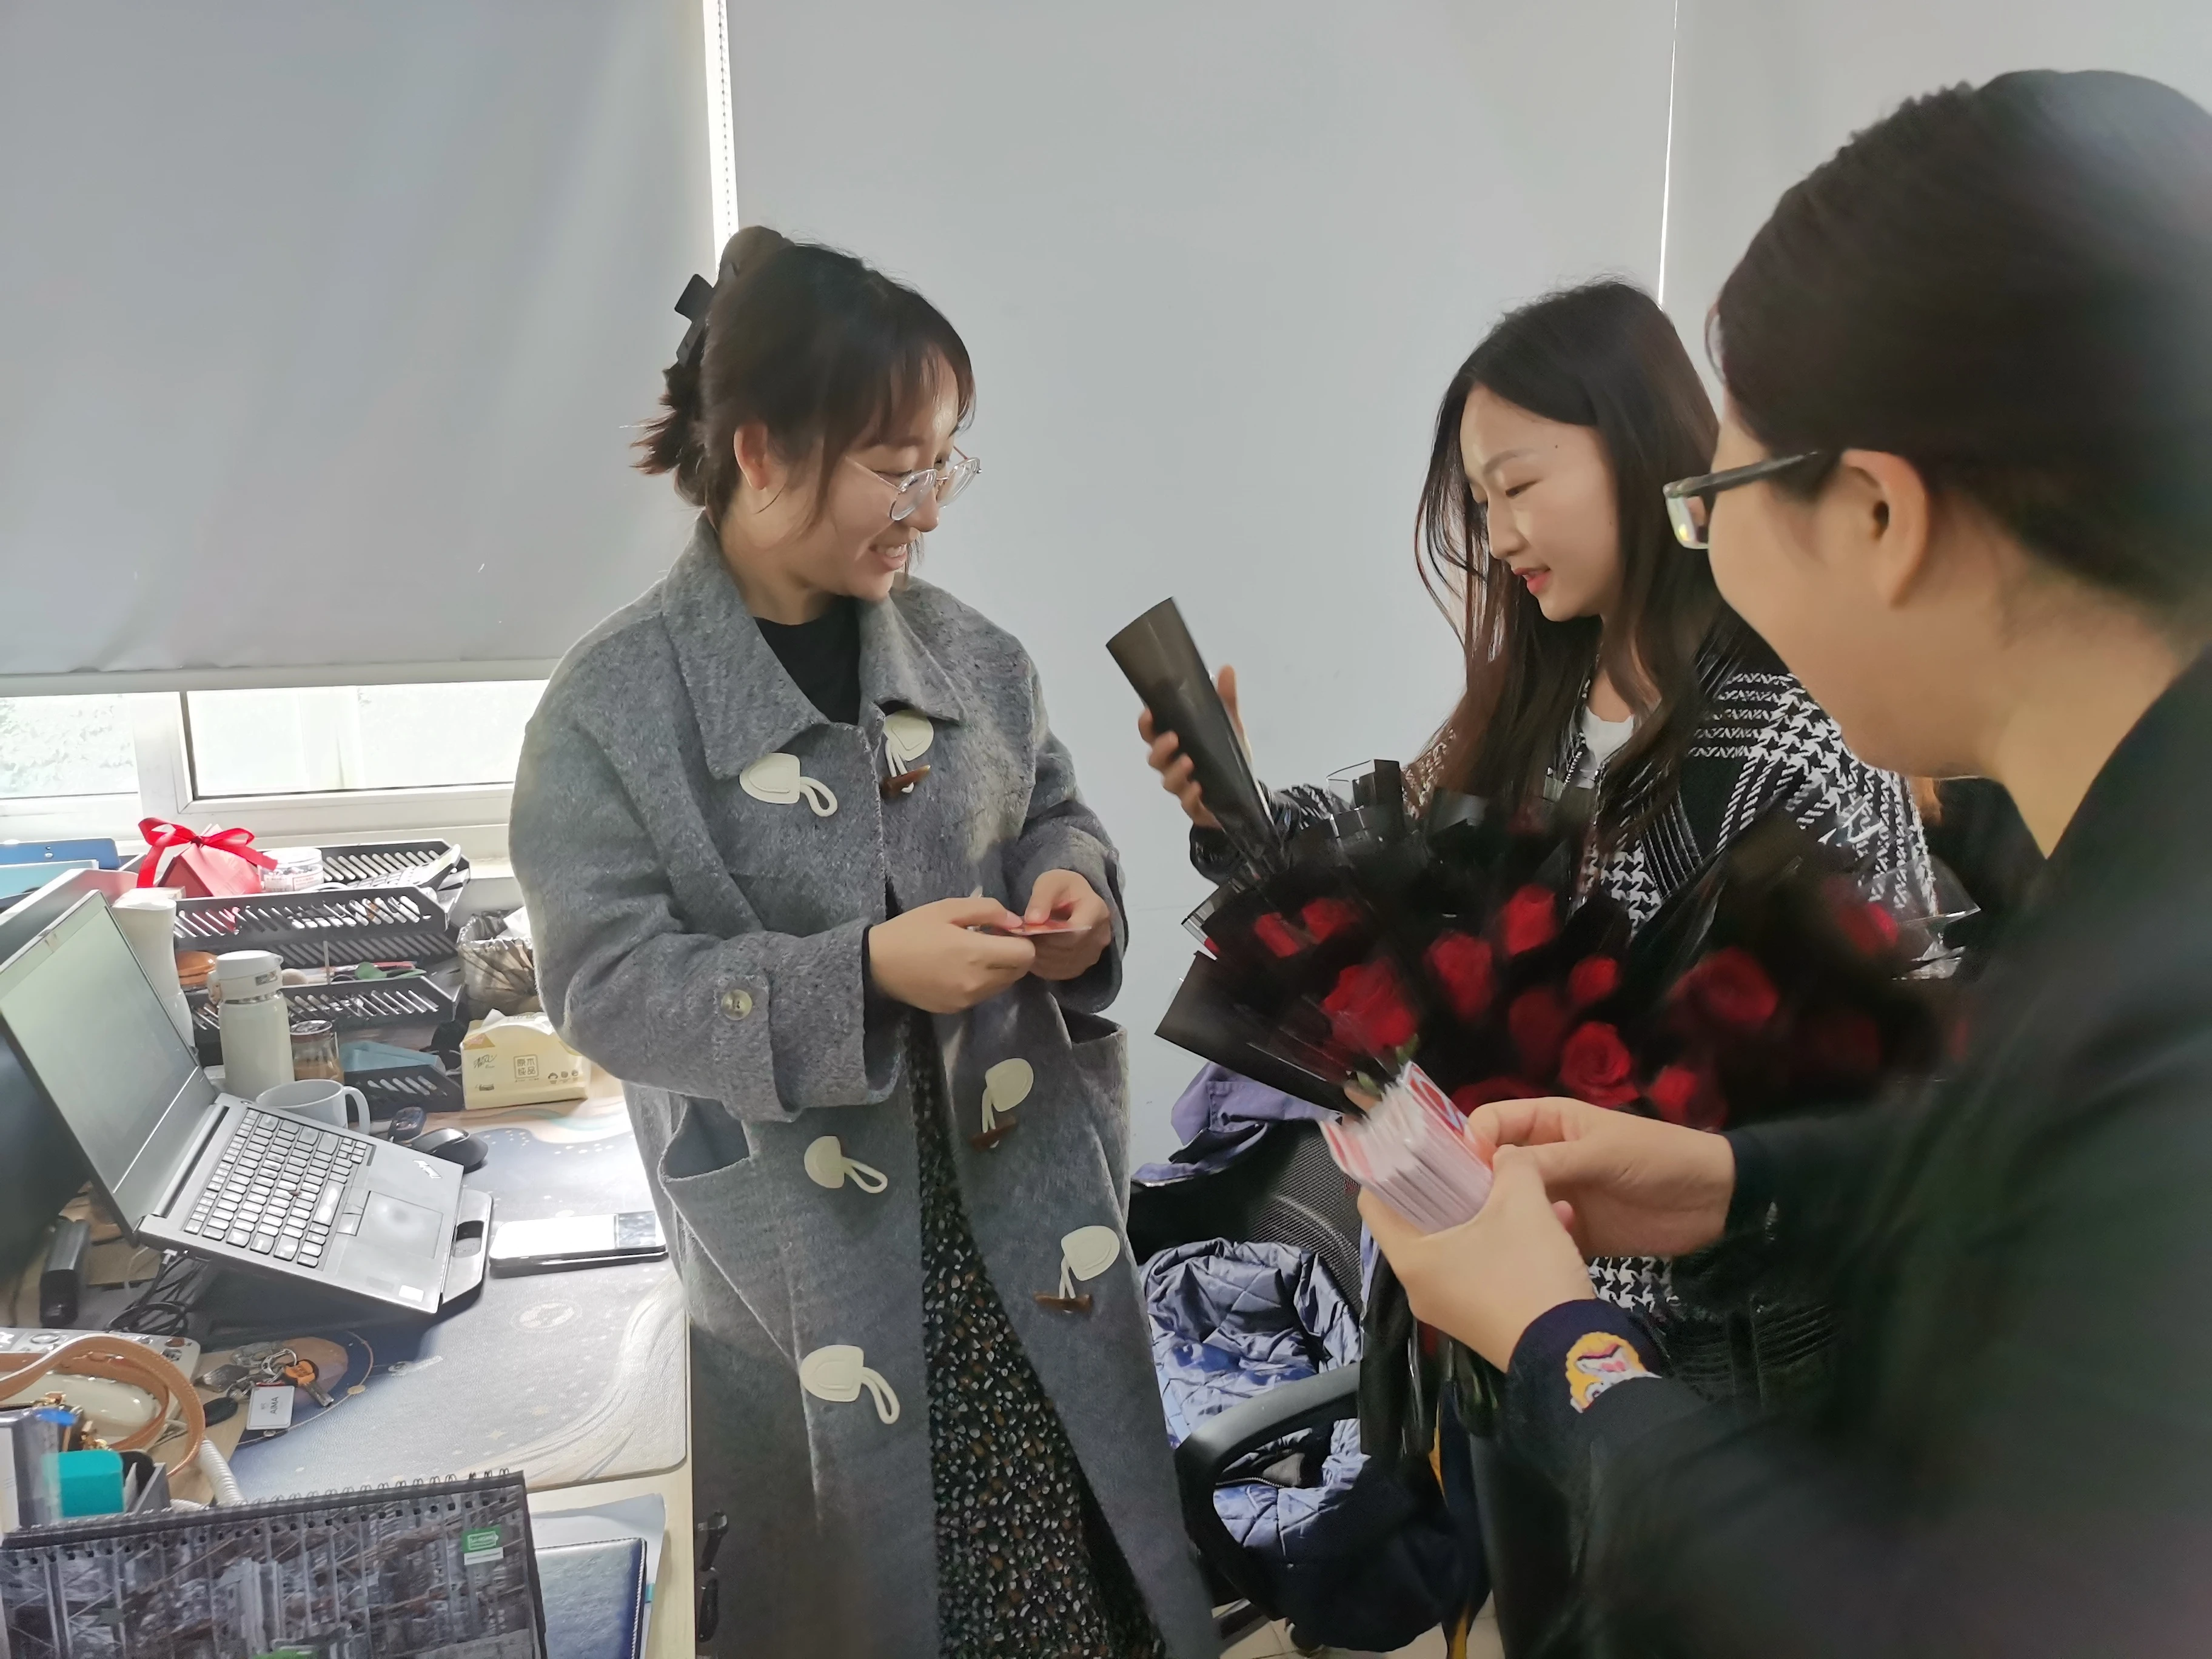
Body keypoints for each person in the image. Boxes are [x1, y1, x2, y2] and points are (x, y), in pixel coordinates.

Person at [1364, 69, 2212, 1657]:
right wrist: (1733, 1186)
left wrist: (1560, 1349)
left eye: (1717, 499)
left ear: (1881, 513)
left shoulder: (2167, 1011)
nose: (1713, 550)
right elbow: (2014, 1164)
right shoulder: (2128, 887)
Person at [511, 227, 1211, 1657]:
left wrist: (1075, 892)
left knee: (1072, 1578)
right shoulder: (611, 710)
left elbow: (1055, 811)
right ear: (763, 453)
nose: (929, 509)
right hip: (810, 1259)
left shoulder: (973, 658)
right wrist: (869, 974)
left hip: (1024, 1210)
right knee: (877, 1593)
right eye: (900, 470)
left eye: (946, 465)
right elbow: (602, 984)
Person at [1142, 280, 1935, 1328]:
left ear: (1641, 448)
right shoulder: (1538, 706)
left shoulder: (1795, 722)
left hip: (1690, 1344)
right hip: (1502, 1313)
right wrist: (1234, 809)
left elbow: (1879, 1107)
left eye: (1517, 485)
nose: (1499, 533)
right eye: (1480, 502)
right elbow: (1400, 877)